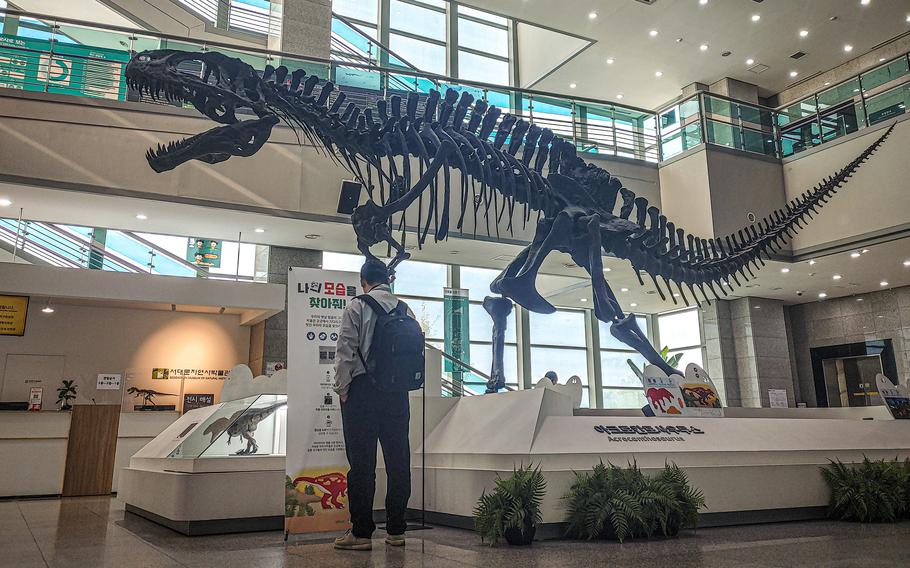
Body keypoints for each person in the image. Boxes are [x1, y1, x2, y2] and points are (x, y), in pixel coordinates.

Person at [333, 259, 414, 551]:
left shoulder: (356, 306)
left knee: (362, 465)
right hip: (397, 394)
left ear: (363, 281)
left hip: (363, 393)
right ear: (387, 279)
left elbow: (345, 352)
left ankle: (362, 533)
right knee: (398, 461)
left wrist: (343, 390)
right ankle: (396, 530)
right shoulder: (405, 309)